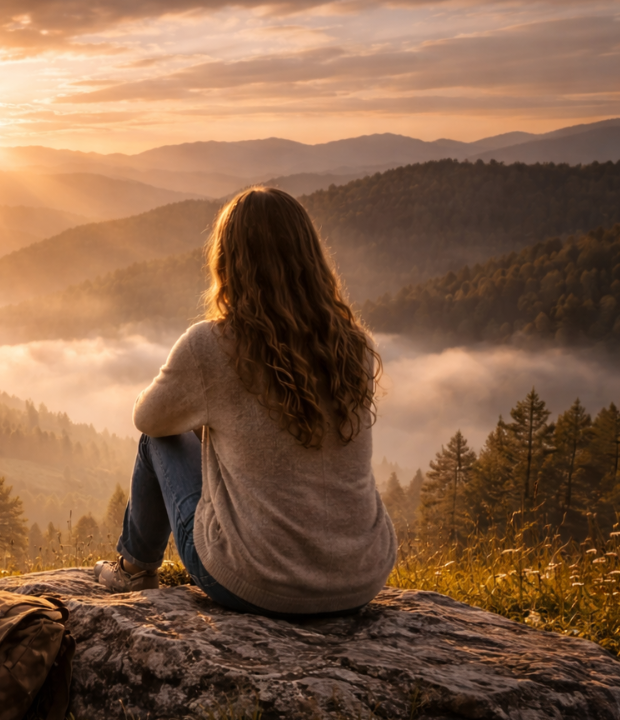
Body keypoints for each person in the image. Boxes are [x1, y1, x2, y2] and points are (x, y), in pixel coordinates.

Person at [94, 187, 396, 619]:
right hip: (360, 578)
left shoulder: (212, 345)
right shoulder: (353, 345)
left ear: (229, 260)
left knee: (158, 441)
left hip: (254, 582)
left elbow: (149, 418)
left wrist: (206, 421)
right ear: (311, 257)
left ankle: (133, 570)